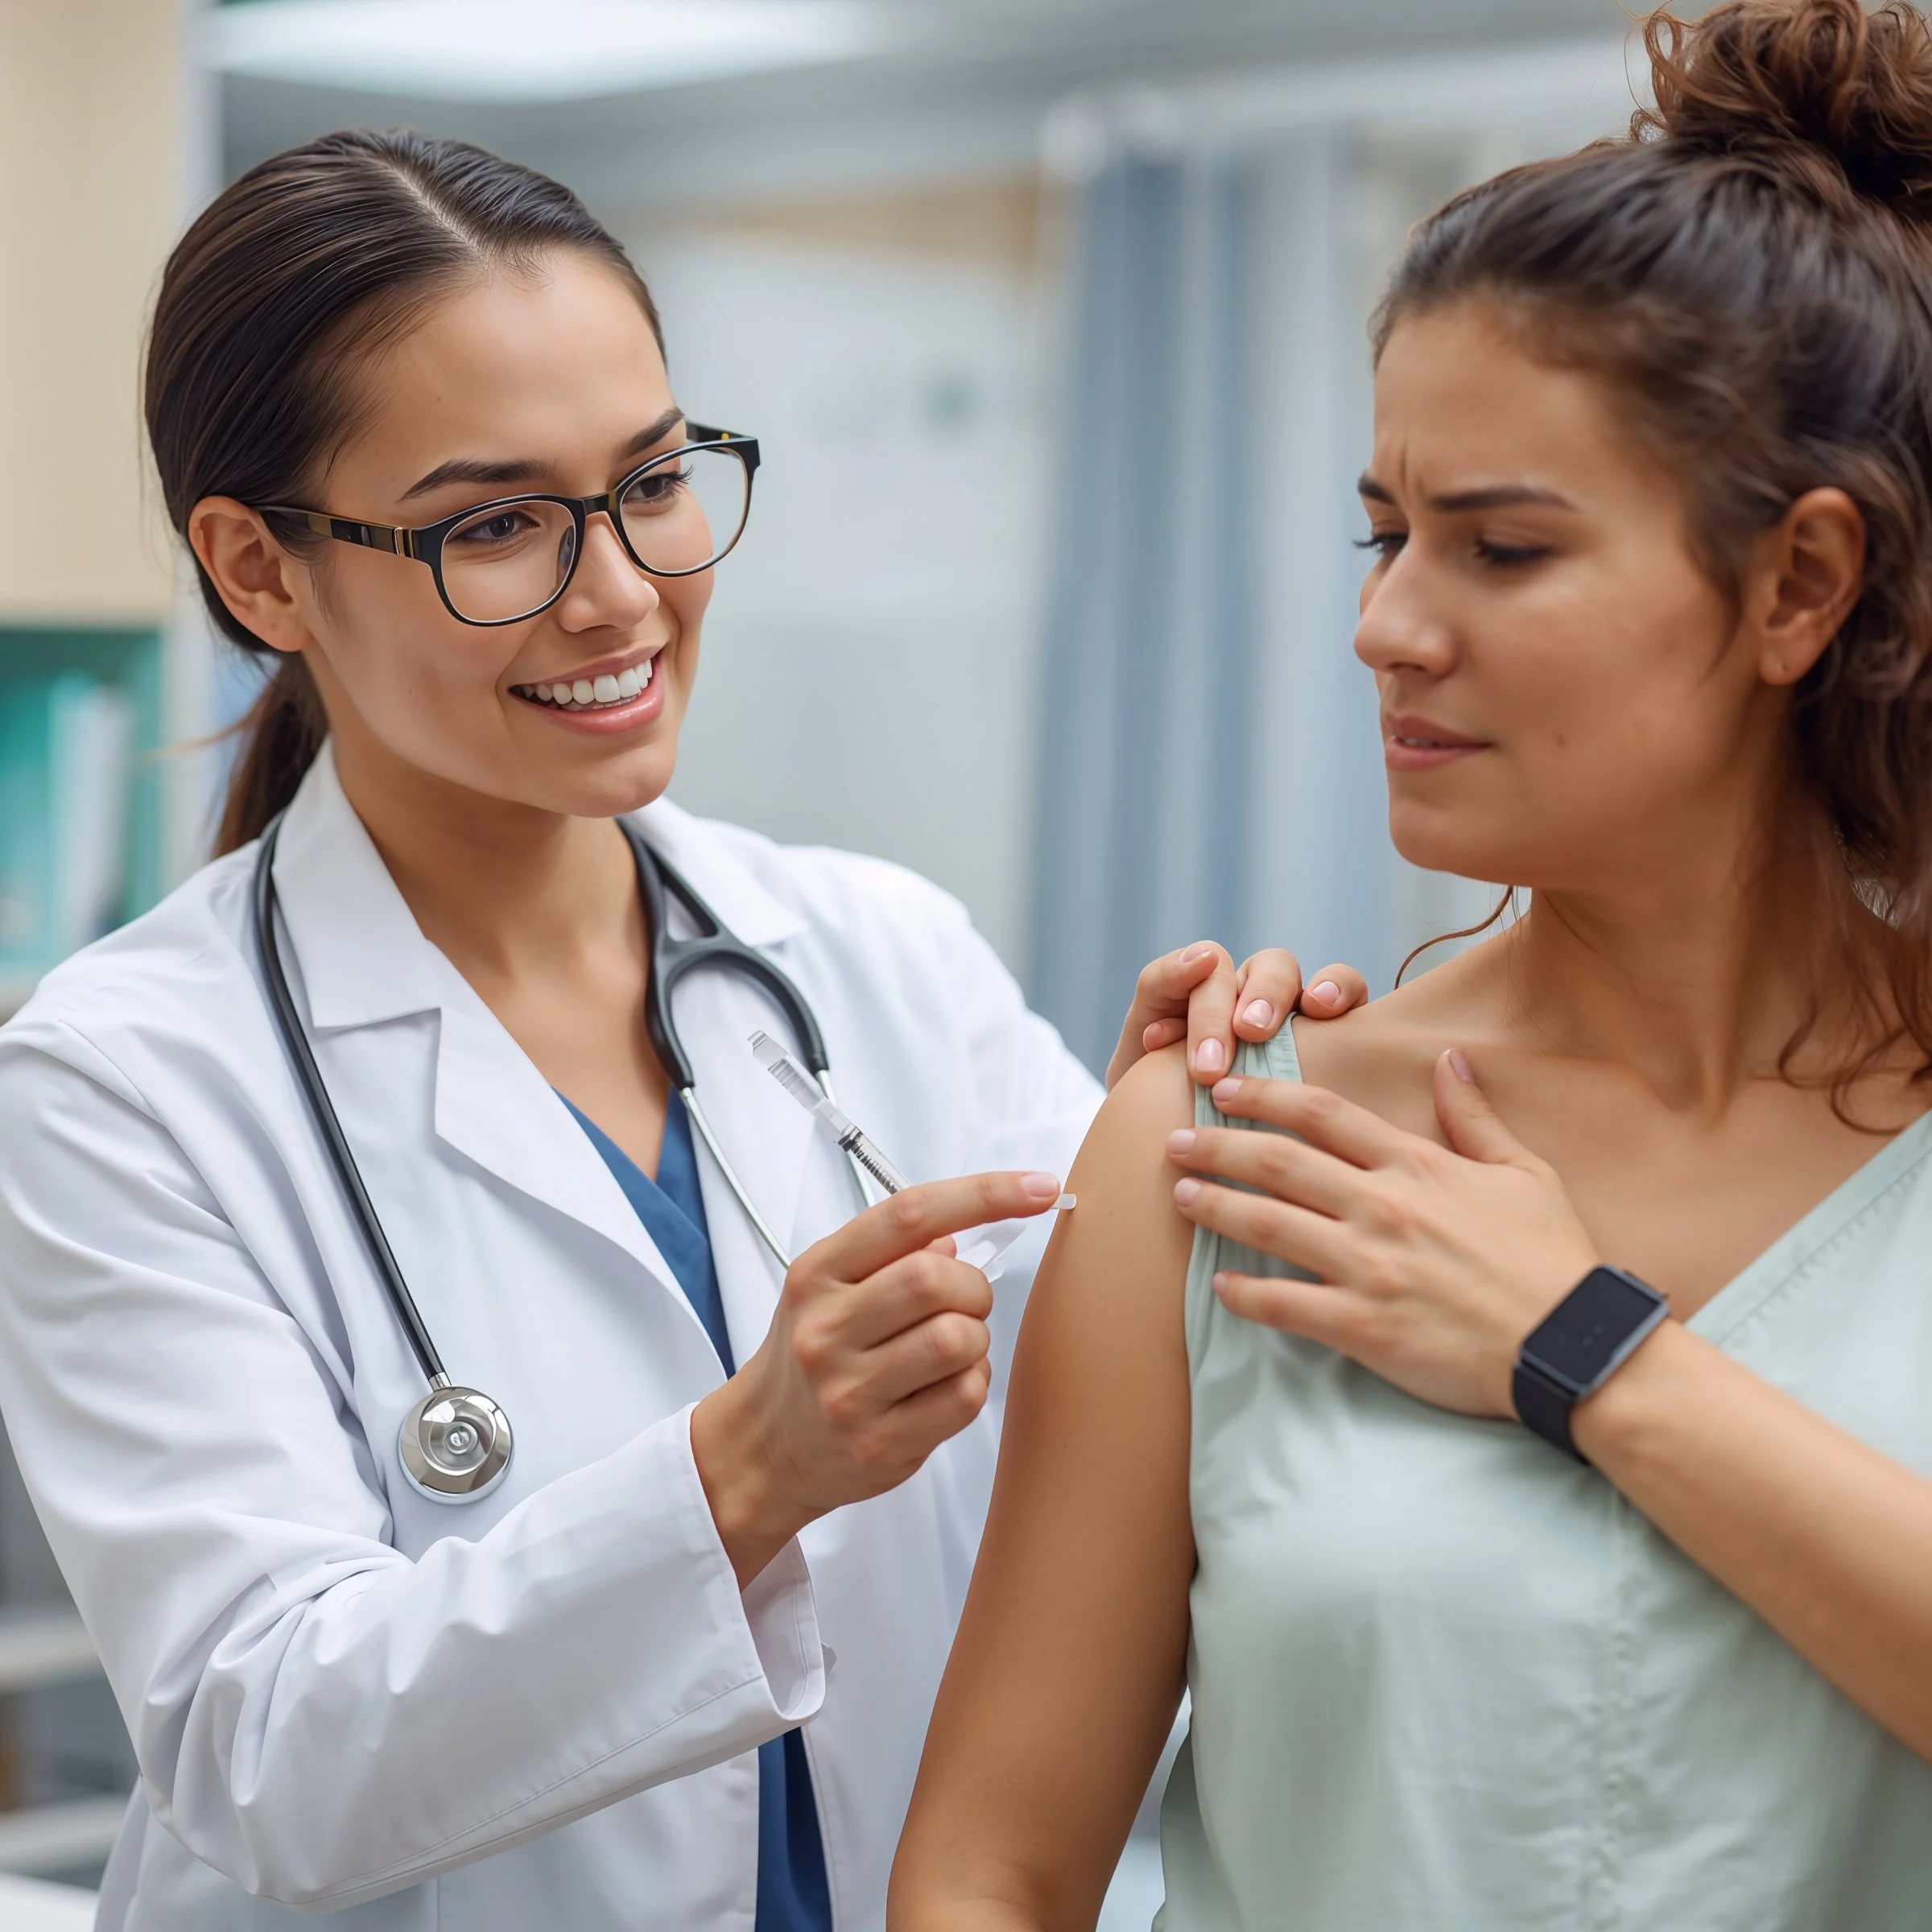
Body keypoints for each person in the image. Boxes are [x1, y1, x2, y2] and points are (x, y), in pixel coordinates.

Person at [0, 132, 1362, 1931]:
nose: (622, 593)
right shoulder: (124, 1080)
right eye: (494, 523)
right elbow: (266, 1758)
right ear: (260, 575)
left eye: (652, 481)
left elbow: (1122, 1476)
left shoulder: (878, 954)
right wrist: (749, 1469)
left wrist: (1150, 1176)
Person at [891, 3, 1932, 1926]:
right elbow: (992, 1868)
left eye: (1501, 551)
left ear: (1799, 583)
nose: (1386, 626)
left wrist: (1587, 1350)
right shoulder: (1219, 1154)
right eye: (1381, 535)